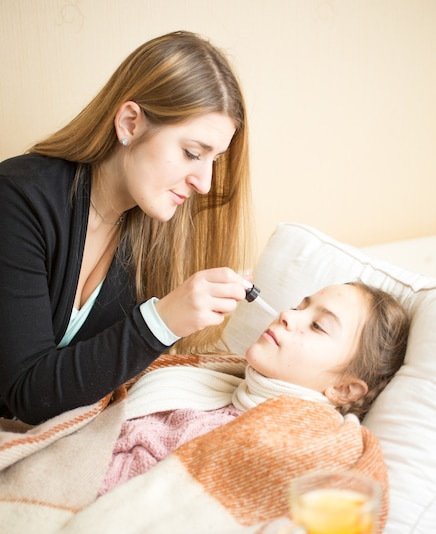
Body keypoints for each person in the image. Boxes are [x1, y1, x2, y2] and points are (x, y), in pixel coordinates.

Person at [0, 31, 255, 425]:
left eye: (214, 160)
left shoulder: (152, 231)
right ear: (130, 123)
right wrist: (162, 320)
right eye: (192, 153)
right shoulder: (18, 198)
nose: (204, 182)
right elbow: (28, 394)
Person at [99, 281, 410, 494]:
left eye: (317, 326)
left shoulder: (289, 448)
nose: (287, 316)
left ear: (343, 390)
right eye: (299, 307)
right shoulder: (206, 379)